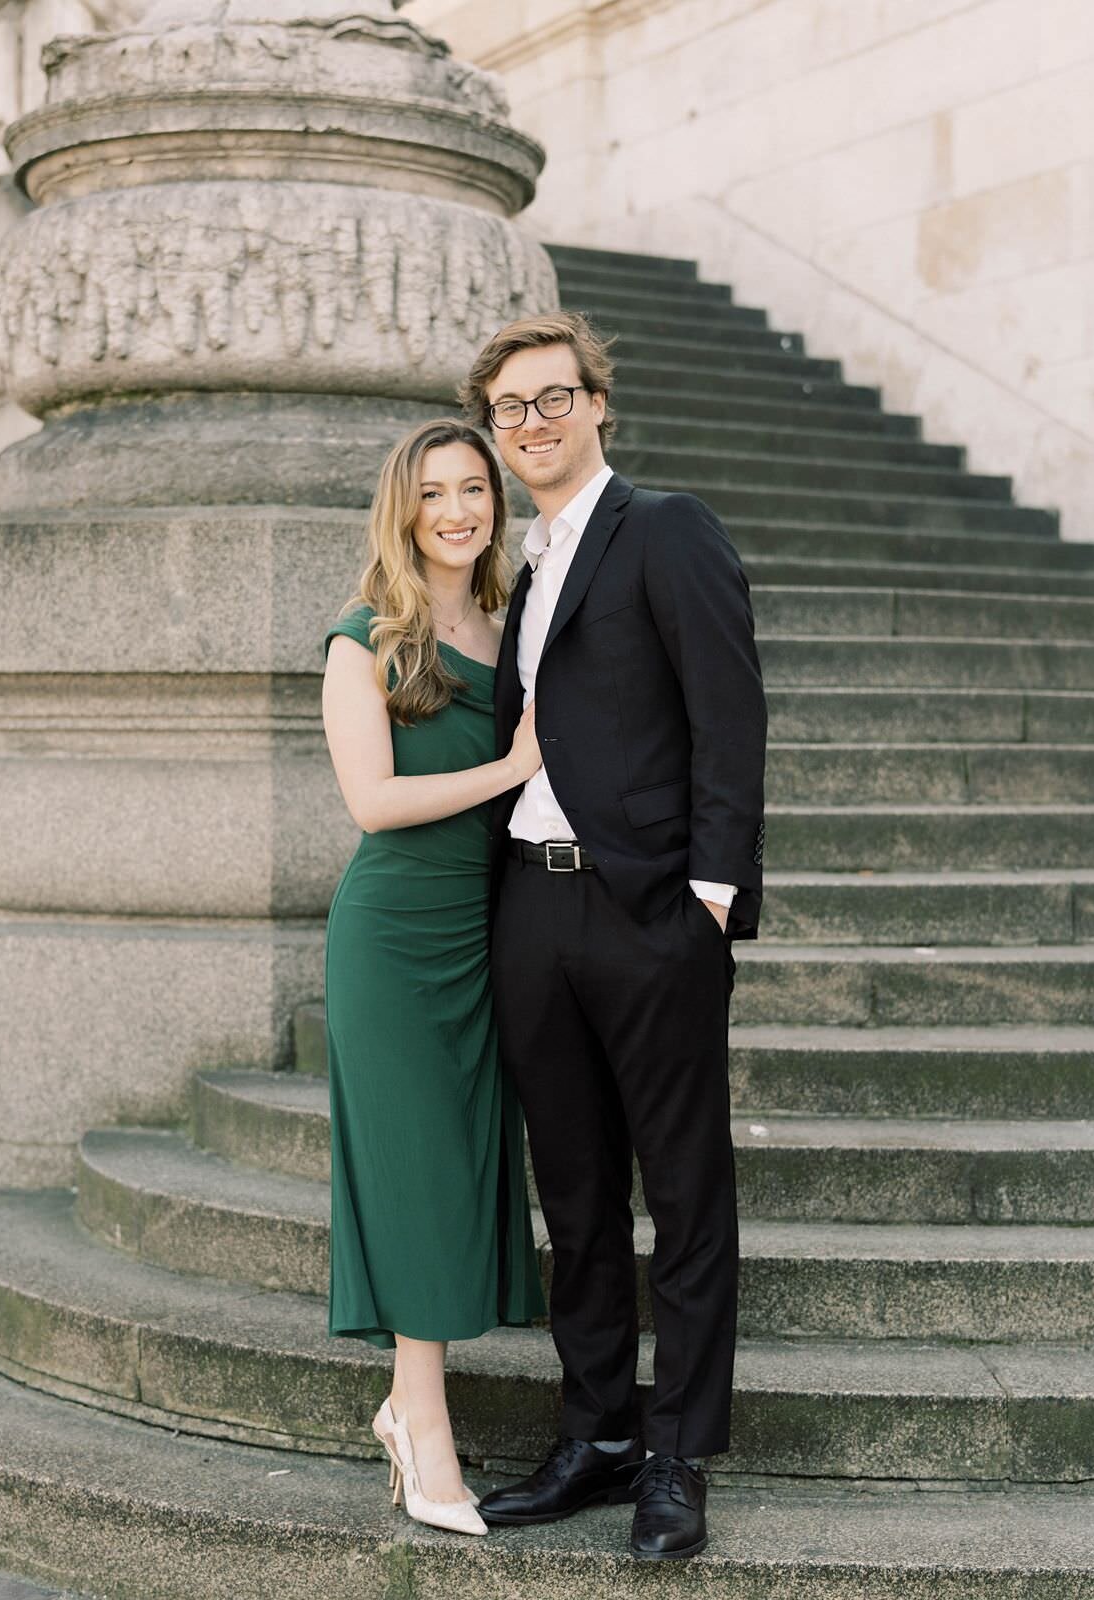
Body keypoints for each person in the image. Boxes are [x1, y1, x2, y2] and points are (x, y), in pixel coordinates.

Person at [460, 311, 767, 1562]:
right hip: (534, 907)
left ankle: (678, 1457)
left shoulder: (667, 528)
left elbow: (727, 715)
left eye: (552, 398)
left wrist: (708, 896)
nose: (531, 424)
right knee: (573, 1192)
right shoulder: (523, 567)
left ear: (599, 404)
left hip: (649, 912)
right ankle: (597, 1433)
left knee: (683, 1191)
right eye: (510, 410)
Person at [321, 417, 546, 1537]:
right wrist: (509, 765)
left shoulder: (514, 626)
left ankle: (412, 1411)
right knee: (417, 1169)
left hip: (489, 928)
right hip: (395, 938)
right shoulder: (366, 638)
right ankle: (420, 1418)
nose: (457, 510)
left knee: (462, 1164)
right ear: (402, 511)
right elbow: (370, 802)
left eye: (474, 489)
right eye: (434, 494)